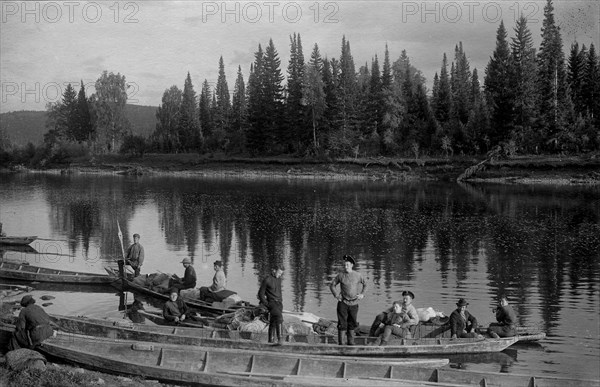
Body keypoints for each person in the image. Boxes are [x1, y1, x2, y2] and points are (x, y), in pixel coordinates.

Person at [329, 255, 367, 346]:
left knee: (352, 322)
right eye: (345, 265)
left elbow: (366, 284)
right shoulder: (341, 275)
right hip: (343, 303)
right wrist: (336, 295)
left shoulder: (358, 275)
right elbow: (332, 285)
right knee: (342, 323)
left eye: (347, 265)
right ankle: (341, 344)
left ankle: (351, 342)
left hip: (354, 303)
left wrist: (362, 294)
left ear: (352, 265)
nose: (346, 267)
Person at [258, 264, 285, 345]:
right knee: (279, 317)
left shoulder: (279, 279)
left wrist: (281, 302)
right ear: (274, 270)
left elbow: (279, 292)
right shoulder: (267, 280)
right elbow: (260, 294)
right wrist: (267, 304)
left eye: (281, 273)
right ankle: (280, 340)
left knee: (273, 321)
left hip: (279, 303)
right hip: (272, 303)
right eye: (279, 273)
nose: (280, 275)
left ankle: (270, 341)